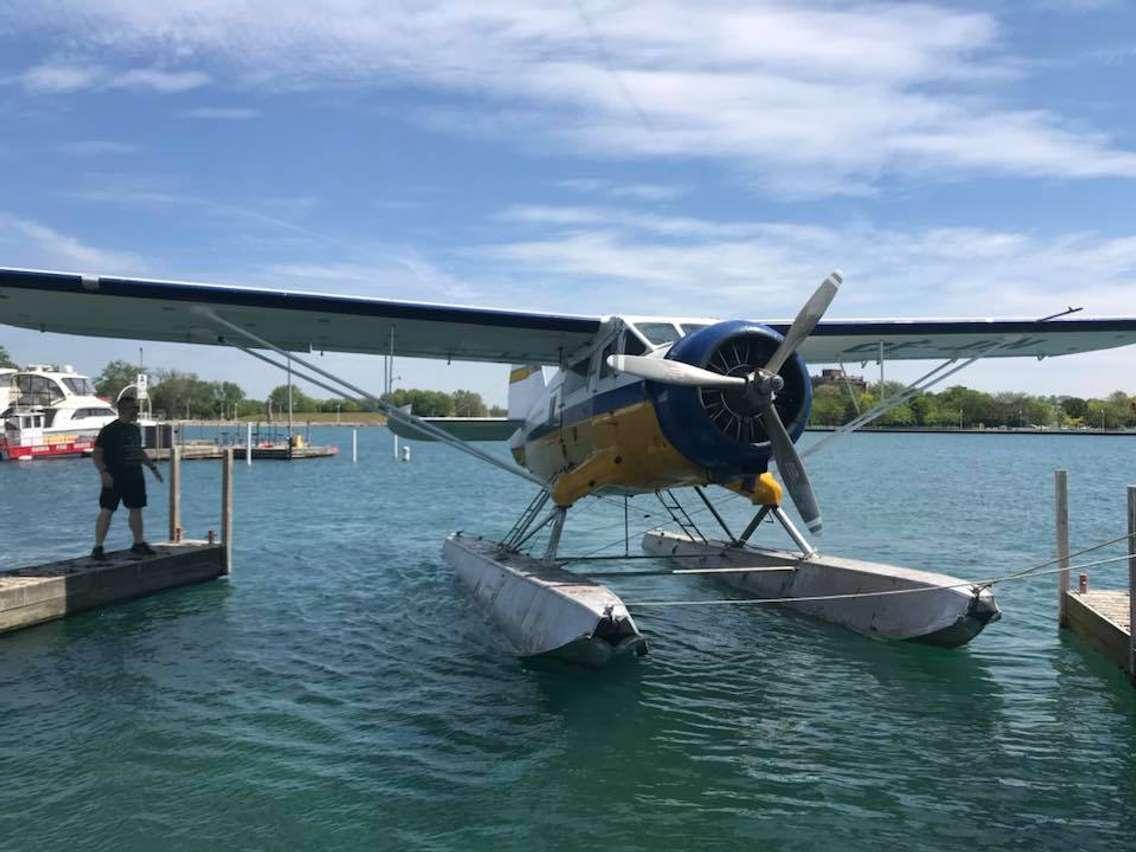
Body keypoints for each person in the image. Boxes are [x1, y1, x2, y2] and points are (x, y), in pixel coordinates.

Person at [91, 393, 163, 560]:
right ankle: (98, 547)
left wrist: (152, 468)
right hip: (114, 476)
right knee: (107, 510)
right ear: (124, 410)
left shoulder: (134, 429)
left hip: (134, 476)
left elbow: (138, 451)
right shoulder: (109, 430)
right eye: (135, 408)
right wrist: (103, 472)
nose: (137, 411)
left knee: (136, 509)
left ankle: (138, 543)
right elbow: (96, 454)